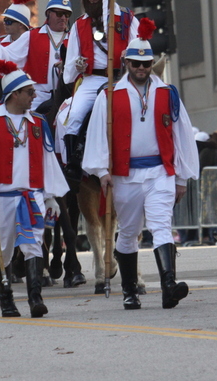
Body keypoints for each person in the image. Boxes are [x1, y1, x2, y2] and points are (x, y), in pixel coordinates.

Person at [82, 18, 198, 310]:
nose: (142, 69)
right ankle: (129, 290)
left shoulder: (168, 93)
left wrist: (182, 176)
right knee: (130, 232)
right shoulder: (109, 96)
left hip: (160, 172)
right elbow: (97, 135)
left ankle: (169, 285)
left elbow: (183, 135)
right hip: (125, 175)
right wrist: (102, 171)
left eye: (146, 64)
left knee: (161, 226)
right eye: (136, 64)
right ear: (126, 62)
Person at [0, 57, 68, 318]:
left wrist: (51, 196)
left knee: (34, 245)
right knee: (5, 248)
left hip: (32, 195)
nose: (34, 96)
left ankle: (35, 299)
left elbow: (47, 160)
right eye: (30, 92)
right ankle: (6, 299)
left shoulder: (39, 123)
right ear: (15, 94)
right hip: (1, 197)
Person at [62, 0, 138, 181]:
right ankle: (73, 165)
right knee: (72, 117)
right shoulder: (79, 25)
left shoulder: (126, 18)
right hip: (92, 79)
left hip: (123, 78)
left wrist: (130, 52)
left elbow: (142, 47)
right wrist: (77, 63)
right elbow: (68, 74)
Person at [0, 0, 72, 111]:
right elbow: (7, 55)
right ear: (48, 14)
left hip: (68, 94)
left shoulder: (74, 36)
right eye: (59, 13)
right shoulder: (31, 35)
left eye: (66, 14)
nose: (63, 18)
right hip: (37, 96)